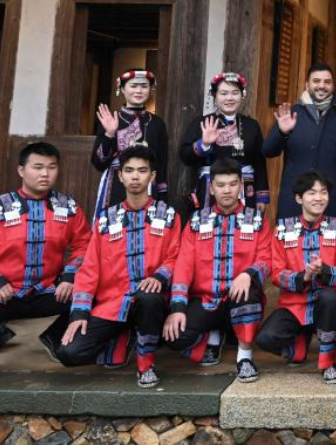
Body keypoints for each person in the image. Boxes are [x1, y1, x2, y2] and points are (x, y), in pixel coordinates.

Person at [0, 142, 90, 379]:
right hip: (3, 291)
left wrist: (70, 276)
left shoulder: (68, 208)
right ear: (21, 170)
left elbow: (85, 245)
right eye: (38, 167)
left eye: (52, 167)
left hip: (49, 289)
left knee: (98, 297)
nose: (45, 174)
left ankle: (54, 338)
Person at [56, 147, 180, 388]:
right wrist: (79, 313)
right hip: (113, 305)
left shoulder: (169, 216)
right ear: (120, 176)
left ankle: (146, 364)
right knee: (69, 353)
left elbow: (176, 256)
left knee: (149, 298)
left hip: (152, 304)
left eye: (142, 171)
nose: (135, 177)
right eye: (129, 171)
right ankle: (125, 334)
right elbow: (89, 269)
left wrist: (159, 276)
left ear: (152, 176)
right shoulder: (105, 219)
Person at [163, 158, 273, 383]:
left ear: (241, 186)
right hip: (205, 300)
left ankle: (244, 356)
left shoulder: (256, 220)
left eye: (232, 184)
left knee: (249, 294)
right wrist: (177, 307)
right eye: (221, 185)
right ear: (211, 188)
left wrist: (249, 274)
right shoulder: (196, 221)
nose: (227, 190)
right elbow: (183, 265)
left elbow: (267, 258)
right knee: (174, 338)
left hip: (238, 298)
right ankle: (212, 335)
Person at [256, 171, 336, 384]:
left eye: (323, 192)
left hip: (329, 307)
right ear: (299, 198)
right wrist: (305, 276)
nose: (319, 198)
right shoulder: (282, 230)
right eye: (312, 193)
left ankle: (327, 360)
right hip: (295, 305)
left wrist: (324, 271)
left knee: (329, 298)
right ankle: (299, 342)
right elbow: (277, 274)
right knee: (265, 338)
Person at [264, 63, 336, 219]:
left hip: (329, 202)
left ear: (333, 86)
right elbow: (268, 151)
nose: (322, 86)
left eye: (327, 82)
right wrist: (282, 132)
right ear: (307, 85)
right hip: (294, 201)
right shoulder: (291, 115)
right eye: (316, 81)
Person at [179, 72, 269, 219]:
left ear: (242, 95)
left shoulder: (251, 125)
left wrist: (261, 197)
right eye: (224, 93)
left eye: (235, 93)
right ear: (214, 96)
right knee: (210, 227)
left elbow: (259, 162)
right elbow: (185, 156)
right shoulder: (202, 123)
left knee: (244, 228)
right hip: (211, 188)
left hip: (245, 188)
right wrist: (204, 144)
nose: (229, 98)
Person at [91, 70, 170, 215]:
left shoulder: (157, 123)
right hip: (117, 185)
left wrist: (162, 194)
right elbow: (98, 163)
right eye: (133, 86)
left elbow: (162, 163)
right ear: (121, 89)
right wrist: (109, 134)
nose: (139, 90)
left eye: (144, 86)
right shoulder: (111, 120)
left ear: (151, 90)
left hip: (148, 184)